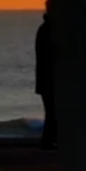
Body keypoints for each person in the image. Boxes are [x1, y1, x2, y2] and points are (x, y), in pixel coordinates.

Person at [34, 8, 56, 150]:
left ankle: (49, 140)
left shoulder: (45, 30)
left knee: (51, 111)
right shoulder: (48, 31)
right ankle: (48, 141)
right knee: (52, 111)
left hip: (46, 78)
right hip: (49, 79)